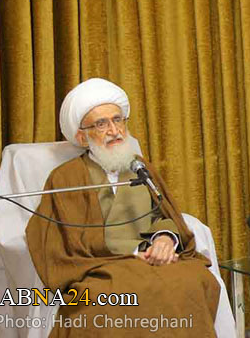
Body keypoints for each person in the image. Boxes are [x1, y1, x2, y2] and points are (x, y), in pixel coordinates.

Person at [26, 78, 220, 336]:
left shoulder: (139, 167)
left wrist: (164, 238)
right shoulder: (66, 177)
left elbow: (163, 213)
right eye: (101, 124)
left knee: (195, 279)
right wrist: (133, 252)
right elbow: (63, 239)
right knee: (110, 296)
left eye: (118, 120)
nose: (114, 130)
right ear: (82, 137)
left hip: (154, 259)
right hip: (101, 266)